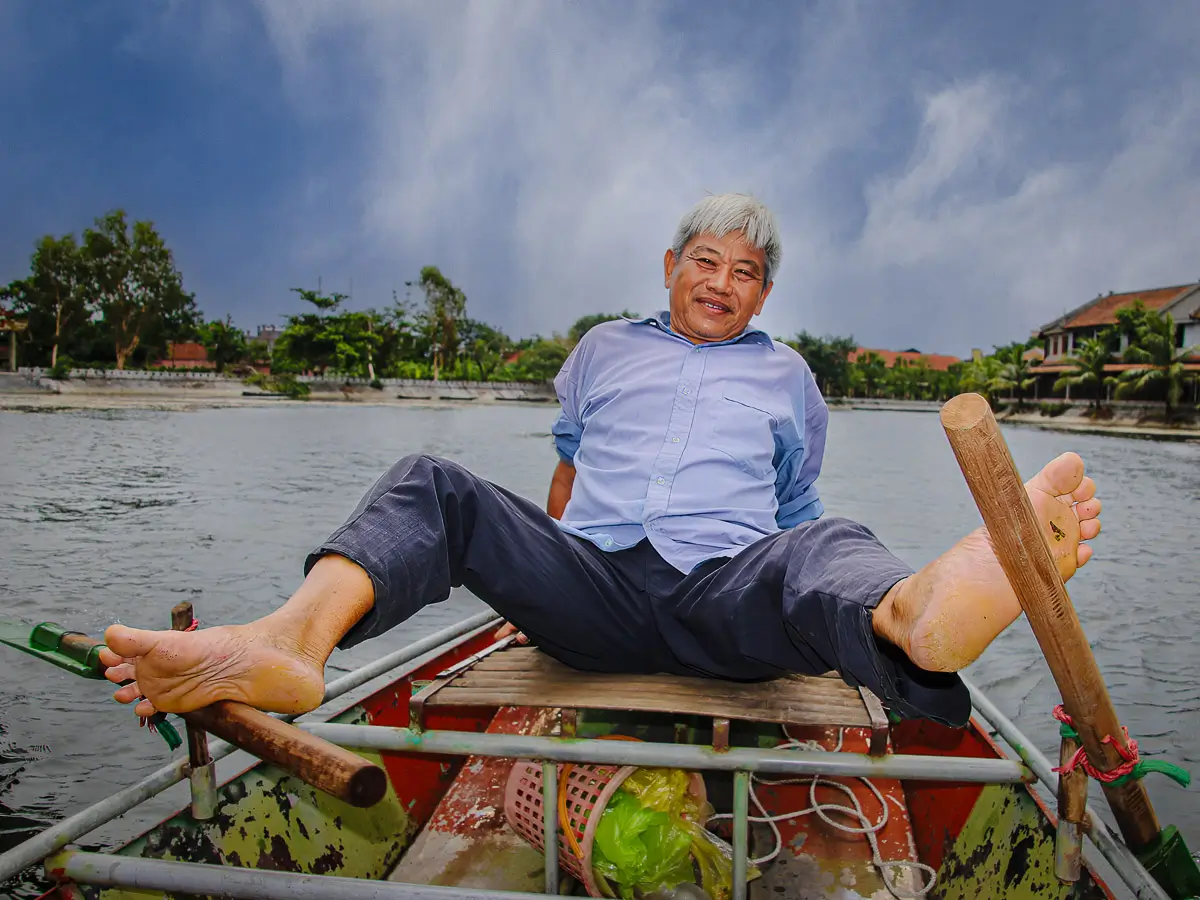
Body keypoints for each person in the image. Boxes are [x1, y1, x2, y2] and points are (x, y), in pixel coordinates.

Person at [99, 193, 1101, 727]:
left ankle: (914, 619)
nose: (720, 282)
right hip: (594, 591)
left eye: (745, 272)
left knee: (826, 541)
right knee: (431, 484)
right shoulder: (600, 349)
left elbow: (794, 510)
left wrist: (812, 595)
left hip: (725, 596)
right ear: (670, 268)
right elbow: (568, 474)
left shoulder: (791, 376)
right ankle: (288, 642)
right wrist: (544, 562)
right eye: (703, 260)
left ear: (763, 296)